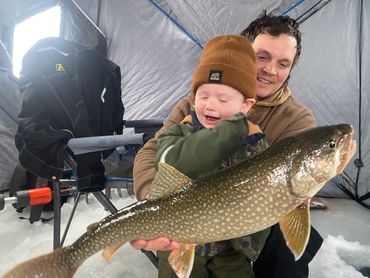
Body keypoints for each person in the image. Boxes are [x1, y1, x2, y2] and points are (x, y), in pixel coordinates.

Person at [132, 11, 323, 278]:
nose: (270, 70)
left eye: (283, 63)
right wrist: (156, 203)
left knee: (287, 250)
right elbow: (152, 150)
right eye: (262, 57)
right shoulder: (201, 100)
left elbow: (293, 182)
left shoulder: (296, 118)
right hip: (192, 210)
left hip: (254, 218)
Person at [153, 34, 269, 277]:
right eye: (203, 96)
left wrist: (246, 247)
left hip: (230, 248)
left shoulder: (256, 145)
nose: (210, 105)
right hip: (177, 240)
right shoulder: (176, 135)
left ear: (246, 105)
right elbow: (167, 163)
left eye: (223, 98)